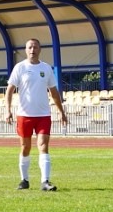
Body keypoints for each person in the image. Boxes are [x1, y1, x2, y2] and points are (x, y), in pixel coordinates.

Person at [4, 38, 68, 192]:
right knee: (25, 147)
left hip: (43, 115)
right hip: (24, 115)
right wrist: (8, 110)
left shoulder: (46, 69)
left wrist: (61, 112)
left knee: (43, 146)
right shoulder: (20, 68)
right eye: (29, 47)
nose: (32, 50)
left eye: (35, 47)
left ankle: (45, 181)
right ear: (26, 50)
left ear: (40, 49)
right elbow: (9, 91)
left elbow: (54, 92)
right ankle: (24, 180)